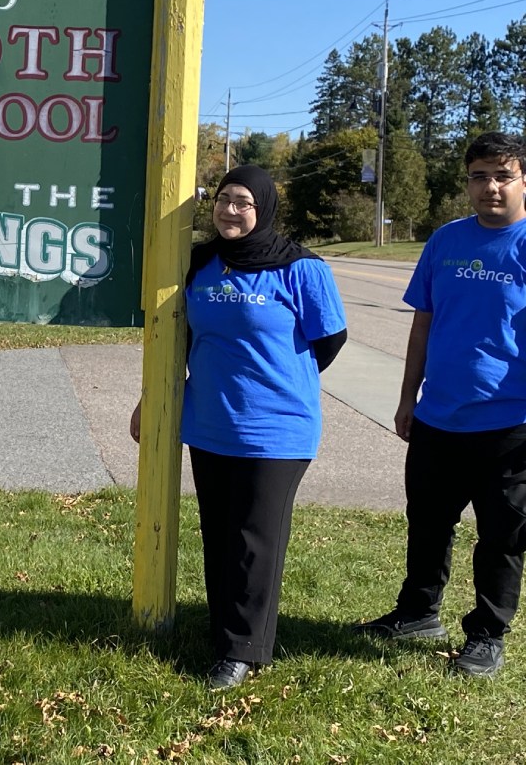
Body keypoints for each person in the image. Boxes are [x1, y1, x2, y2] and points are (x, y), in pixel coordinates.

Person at [130, 164, 347, 689]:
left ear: (265, 208)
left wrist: (277, 379)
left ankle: (244, 650)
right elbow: (179, 338)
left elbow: (330, 339)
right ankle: (223, 632)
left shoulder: (300, 267)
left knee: (255, 538)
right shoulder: (199, 262)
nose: (231, 210)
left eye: (244, 202)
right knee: (220, 533)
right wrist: (150, 399)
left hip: (276, 429)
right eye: (224, 198)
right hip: (209, 423)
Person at [356, 132, 526, 678]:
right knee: (428, 522)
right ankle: (417, 613)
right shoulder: (445, 241)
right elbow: (423, 323)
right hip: (438, 417)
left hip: (510, 423)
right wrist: (408, 397)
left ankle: (488, 634)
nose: (490, 187)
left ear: (523, 180)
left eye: (503, 175)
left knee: (501, 535)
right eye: (479, 175)